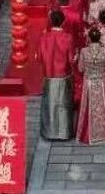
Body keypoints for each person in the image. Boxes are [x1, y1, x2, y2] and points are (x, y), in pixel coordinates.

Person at [38, 10, 74, 141]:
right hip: (63, 74)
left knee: (49, 105)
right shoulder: (68, 38)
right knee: (63, 106)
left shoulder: (44, 38)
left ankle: (49, 132)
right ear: (63, 22)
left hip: (49, 75)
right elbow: (71, 59)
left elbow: (39, 57)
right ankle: (64, 132)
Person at [75, 28, 105, 145]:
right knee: (103, 108)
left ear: (89, 38)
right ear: (100, 38)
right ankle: (103, 135)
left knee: (87, 107)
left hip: (89, 83)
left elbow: (80, 69)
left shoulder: (84, 51)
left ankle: (87, 134)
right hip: (102, 83)